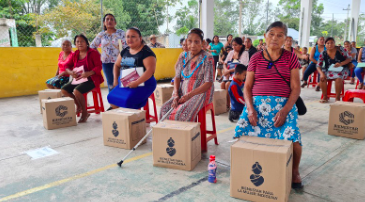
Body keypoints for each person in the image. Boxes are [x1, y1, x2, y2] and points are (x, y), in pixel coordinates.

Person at [234, 21, 303, 189]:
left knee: (292, 138)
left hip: (283, 106)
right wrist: (250, 110)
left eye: (280, 35)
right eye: (271, 34)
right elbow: (247, 87)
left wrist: (285, 110)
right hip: (257, 105)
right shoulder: (256, 57)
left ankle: (294, 170)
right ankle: (245, 167)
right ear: (265, 36)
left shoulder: (291, 57)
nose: (275, 38)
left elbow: (296, 88)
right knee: (240, 132)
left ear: (286, 39)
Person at [160, 28, 214, 121]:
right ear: (186, 41)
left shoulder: (207, 57)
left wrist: (189, 96)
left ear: (202, 43)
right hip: (182, 92)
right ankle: (169, 135)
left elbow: (208, 83)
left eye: (197, 42)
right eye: (190, 41)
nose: (193, 45)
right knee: (164, 109)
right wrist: (176, 94)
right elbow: (177, 76)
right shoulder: (182, 56)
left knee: (182, 113)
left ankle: (187, 135)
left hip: (200, 93)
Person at [107, 27, 157, 109]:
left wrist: (137, 82)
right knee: (111, 97)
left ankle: (133, 119)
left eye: (133, 36)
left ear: (140, 38)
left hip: (144, 83)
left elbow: (150, 71)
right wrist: (115, 80)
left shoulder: (146, 52)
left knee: (128, 100)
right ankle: (120, 118)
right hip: (126, 82)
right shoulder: (125, 51)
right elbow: (116, 65)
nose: (130, 39)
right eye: (128, 36)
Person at [61, 34, 104, 123]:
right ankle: (79, 106)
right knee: (64, 90)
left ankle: (85, 113)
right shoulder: (76, 54)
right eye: (77, 42)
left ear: (87, 43)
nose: (80, 43)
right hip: (79, 79)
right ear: (75, 44)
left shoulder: (93, 53)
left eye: (82, 41)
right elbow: (67, 66)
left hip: (92, 79)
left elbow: (99, 67)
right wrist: (71, 73)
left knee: (77, 91)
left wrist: (89, 73)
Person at [90, 14, 127, 92]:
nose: (109, 21)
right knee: (111, 84)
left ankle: (121, 101)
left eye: (111, 19)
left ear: (115, 23)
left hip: (118, 62)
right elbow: (92, 46)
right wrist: (101, 56)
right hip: (106, 63)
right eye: (107, 19)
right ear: (104, 22)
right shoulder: (101, 34)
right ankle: (112, 103)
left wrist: (122, 57)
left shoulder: (120, 33)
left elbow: (126, 46)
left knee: (120, 83)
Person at [317, 37, 352, 103]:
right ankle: (325, 97)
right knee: (322, 78)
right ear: (325, 45)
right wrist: (321, 73)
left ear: (334, 43)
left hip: (342, 68)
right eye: (328, 43)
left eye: (332, 43)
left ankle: (337, 97)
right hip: (329, 70)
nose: (330, 45)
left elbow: (349, 58)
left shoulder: (341, 49)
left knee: (338, 78)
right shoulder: (323, 53)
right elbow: (318, 65)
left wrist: (341, 63)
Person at [221, 37, 247, 110]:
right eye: (232, 45)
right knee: (222, 84)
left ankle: (229, 105)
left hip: (238, 74)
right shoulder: (231, 52)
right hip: (228, 74)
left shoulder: (245, 53)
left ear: (240, 45)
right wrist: (226, 70)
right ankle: (224, 104)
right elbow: (225, 63)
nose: (233, 47)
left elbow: (241, 66)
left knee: (228, 84)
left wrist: (229, 71)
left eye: (235, 45)